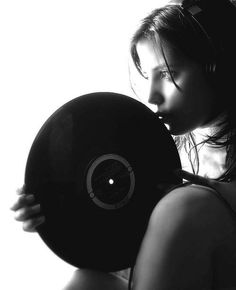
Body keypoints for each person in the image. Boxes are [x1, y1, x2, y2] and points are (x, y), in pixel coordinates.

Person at [11, 0, 236, 289]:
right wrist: (51, 215)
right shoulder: (161, 150)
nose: (152, 95)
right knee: (86, 282)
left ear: (214, 67)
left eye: (167, 74)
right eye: (148, 77)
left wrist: (207, 192)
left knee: (187, 204)